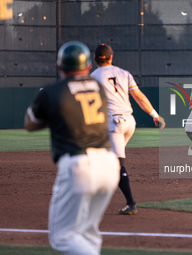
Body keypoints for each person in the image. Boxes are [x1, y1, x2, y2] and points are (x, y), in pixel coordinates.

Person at [24, 41, 120, 255]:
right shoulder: (100, 88)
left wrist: (54, 112)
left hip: (79, 165)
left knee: (62, 237)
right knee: (88, 233)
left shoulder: (52, 92)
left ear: (59, 67)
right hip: (108, 164)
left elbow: (30, 124)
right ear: (88, 67)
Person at [91, 43, 165, 215]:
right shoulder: (124, 73)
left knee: (116, 163)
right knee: (108, 159)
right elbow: (139, 97)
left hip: (113, 123)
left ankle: (131, 203)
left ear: (95, 59)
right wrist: (155, 114)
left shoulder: (93, 77)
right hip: (129, 123)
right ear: (111, 57)